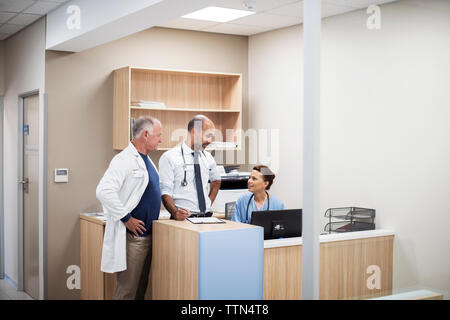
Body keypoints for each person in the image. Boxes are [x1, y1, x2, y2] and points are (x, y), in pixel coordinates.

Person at [96, 116, 162, 300]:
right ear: (146, 134)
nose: (161, 140)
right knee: (127, 291)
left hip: (147, 235)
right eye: (158, 135)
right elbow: (103, 191)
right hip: (134, 238)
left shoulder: (147, 161)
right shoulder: (124, 159)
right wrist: (127, 218)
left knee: (141, 289)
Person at [159, 115, 221, 220]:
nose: (210, 141)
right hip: (183, 219)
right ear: (194, 132)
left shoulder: (208, 157)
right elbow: (165, 191)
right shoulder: (169, 157)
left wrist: (208, 203)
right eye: (208, 135)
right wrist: (175, 212)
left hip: (206, 217)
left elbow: (217, 180)